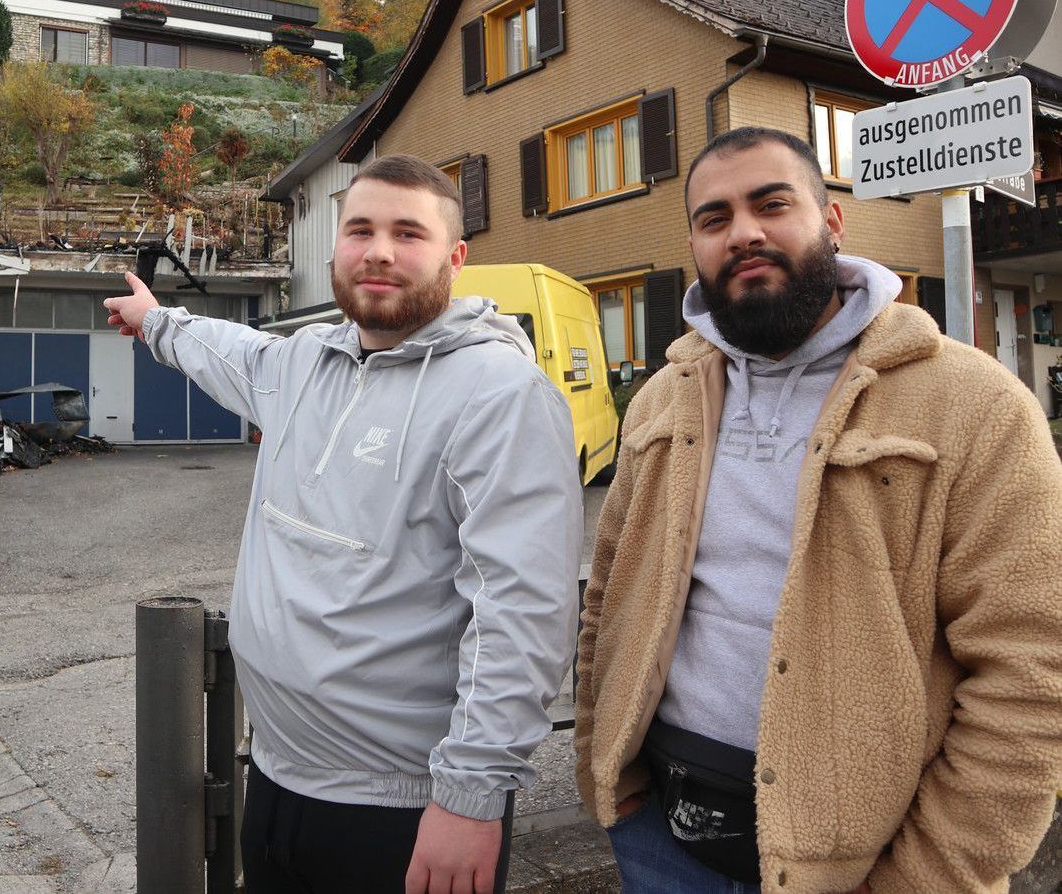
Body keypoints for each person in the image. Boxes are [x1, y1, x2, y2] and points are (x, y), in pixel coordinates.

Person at [574, 127, 1062, 893]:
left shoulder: (974, 404)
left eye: (772, 203)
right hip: (659, 840)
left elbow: (1032, 672)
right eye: (714, 218)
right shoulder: (666, 396)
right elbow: (606, 597)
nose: (744, 232)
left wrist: (930, 876)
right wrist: (604, 775)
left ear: (833, 222)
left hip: (874, 867)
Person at [105, 155, 583, 894]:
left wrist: (470, 798)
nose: (380, 250)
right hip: (275, 782)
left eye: (407, 232)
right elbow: (228, 350)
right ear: (336, 249)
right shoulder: (304, 363)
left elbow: (523, 613)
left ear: (456, 258)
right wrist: (154, 321)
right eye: (360, 229)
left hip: (403, 812)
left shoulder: (500, 396)